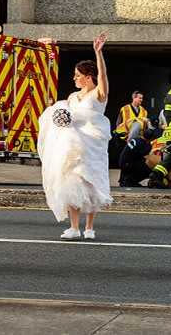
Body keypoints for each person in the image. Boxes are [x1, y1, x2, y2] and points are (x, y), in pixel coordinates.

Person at [37, 33, 112, 241]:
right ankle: (74, 227)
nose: (74, 78)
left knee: (92, 182)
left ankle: (89, 228)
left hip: (92, 145)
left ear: (88, 77)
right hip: (73, 146)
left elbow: (103, 76)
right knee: (72, 183)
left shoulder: (98, 93)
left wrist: (98, 53)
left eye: (78, 75)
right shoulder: (71, 97)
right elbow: (66, 118)